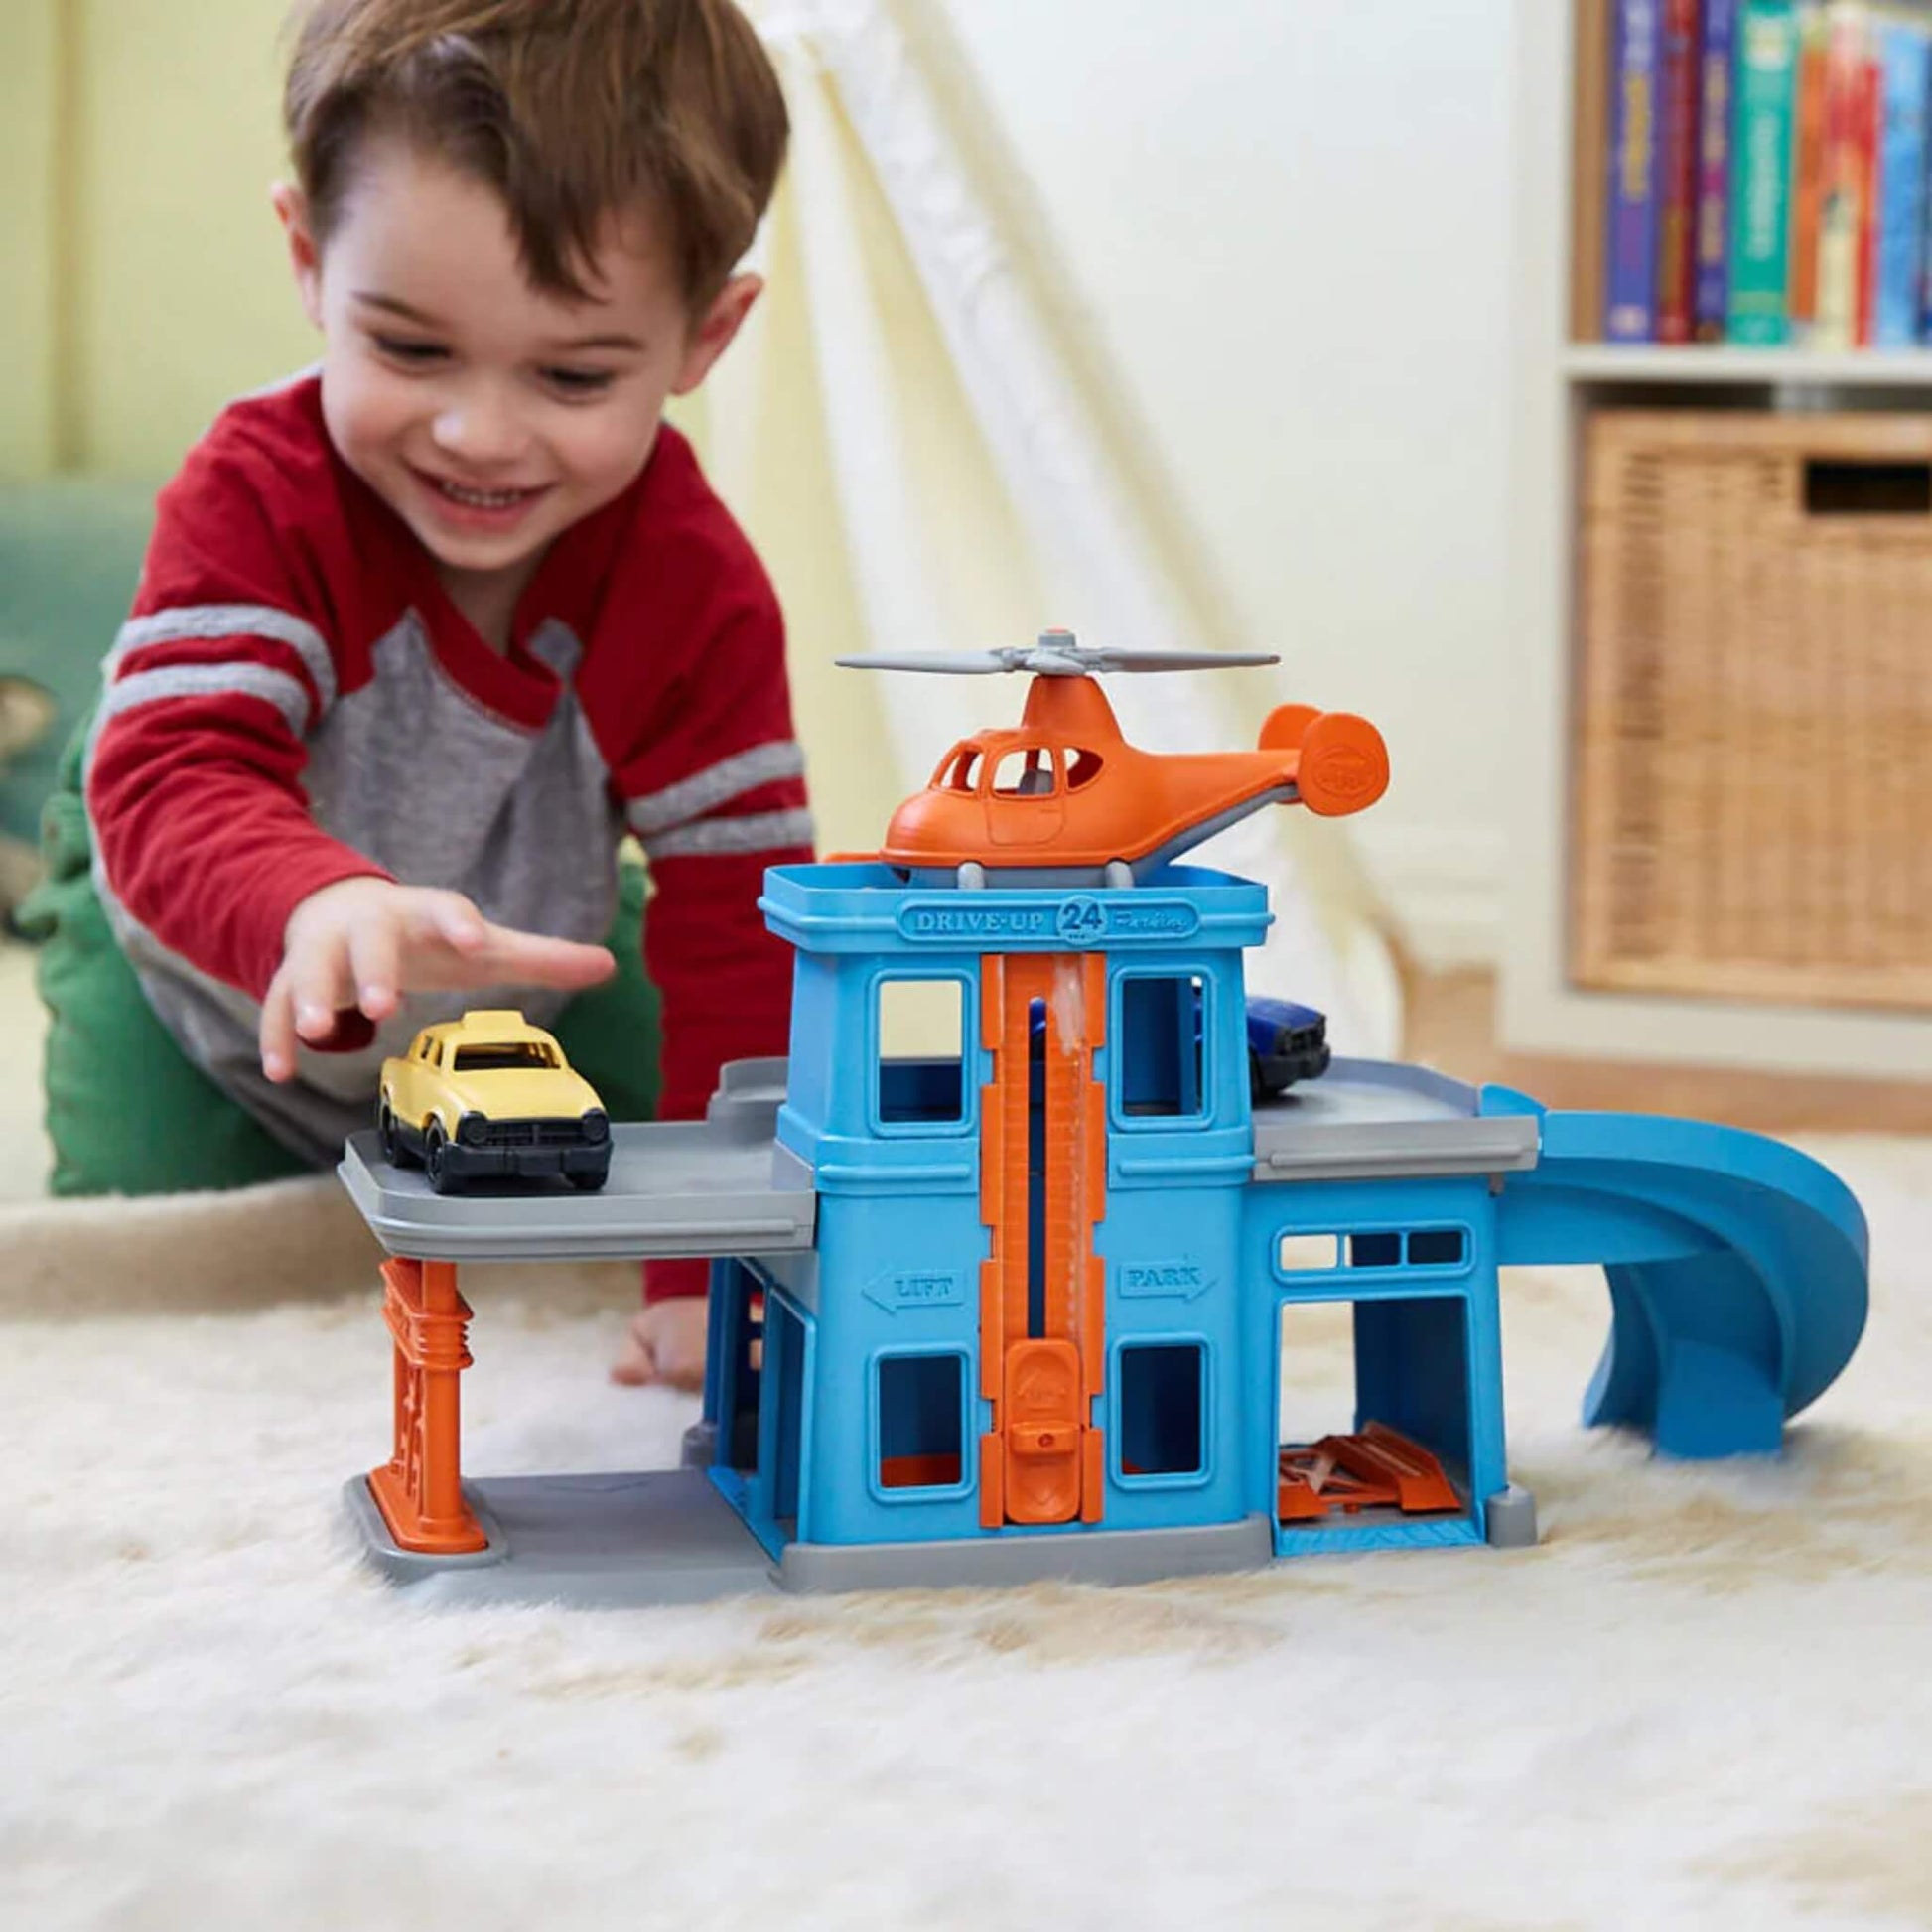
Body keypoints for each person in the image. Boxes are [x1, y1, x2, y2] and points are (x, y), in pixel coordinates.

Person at [23, 0, 810, 1390]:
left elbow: (743, 921)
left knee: (680, 1158)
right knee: (150, 1277)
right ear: (310, 263)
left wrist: (711, 1273)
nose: (480, 434)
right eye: (410, 350)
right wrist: (316, 905)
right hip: (202, 962)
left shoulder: (696, 585)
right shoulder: (258, 492)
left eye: (573, 374)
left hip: (516, 947)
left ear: (706, 334)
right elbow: (174, 777)